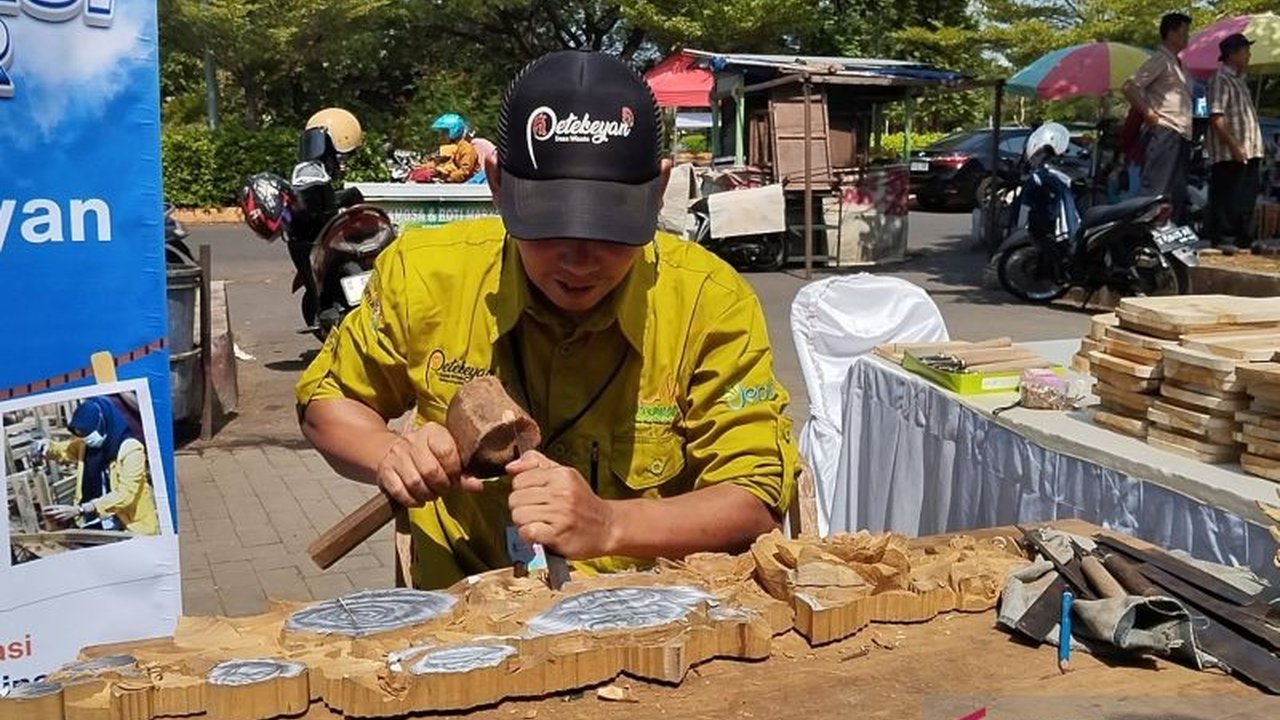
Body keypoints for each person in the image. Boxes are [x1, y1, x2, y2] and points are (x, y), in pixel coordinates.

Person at [296, 50, 798, 590]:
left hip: (645, 615)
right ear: (497, 184)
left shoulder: (708, 302)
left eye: (611, 228)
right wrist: (392, 455)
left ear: (657, 191)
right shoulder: (425, 276)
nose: (580, 262)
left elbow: (755, 499)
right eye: (549, 225)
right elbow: (327, 404)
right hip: (463, 616)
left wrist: (611, 525)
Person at [40, 397, 159, 536]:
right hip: (95, 520)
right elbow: (64, 450)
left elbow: (126, 493)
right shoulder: (86, 445)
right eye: (82, 435)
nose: (86, 439)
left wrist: (82, 509)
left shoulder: (131, 449)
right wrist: (46, 447)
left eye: (88, 434)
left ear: (103, 424)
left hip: (128, 523)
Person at [1123, 12, 1194, 221]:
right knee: (1156, 187)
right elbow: (1130, 86)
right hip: (1165, 128)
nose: (1187, 37)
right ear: (1170, 33)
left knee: (1176, 190)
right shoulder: (1160, 59)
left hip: (1182, 131)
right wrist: (1148, 113)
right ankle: (1144, 234)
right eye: (1183, 32)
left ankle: (1167, 233)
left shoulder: (1181, 65)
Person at [1205, 33, 1265, 255]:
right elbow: (1216, 116)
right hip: (1229, 151)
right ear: (1233, 54)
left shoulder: (1240, 81)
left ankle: (1245, 237)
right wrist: (1233, 144)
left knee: (1246, 195)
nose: (1248, 55)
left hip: (1250, 148)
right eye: (1245, 51)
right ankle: (1223, 236)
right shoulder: (1220, 79)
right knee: (1227, 193)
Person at [412, 113, 479, 183]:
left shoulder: (466, 149)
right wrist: (422, 167)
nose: (440, 136)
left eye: (444, 132)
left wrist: (446, 179)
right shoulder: (447, 149)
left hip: (464, 189)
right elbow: (436, 163)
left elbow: (464, 171)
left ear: (454, 131)